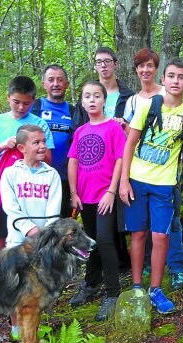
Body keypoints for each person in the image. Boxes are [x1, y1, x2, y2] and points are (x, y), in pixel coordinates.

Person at [119, 57, 183, 314]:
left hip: (165, 184)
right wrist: (123, 181)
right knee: (139, 233)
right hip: (137, 180)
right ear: (163, 79)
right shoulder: (147, 106)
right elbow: (130, 143)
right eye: (171, 76)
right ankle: (136, 286)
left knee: (161, 235)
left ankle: (156, 288)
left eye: (181, 77)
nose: (176, 81)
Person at [0, 76, 55, 325]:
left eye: (27, 103)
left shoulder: (38, 124)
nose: (21, 108)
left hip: (29, 196)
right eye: (17, 102)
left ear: (33, 101)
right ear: (8, 98)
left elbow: (48, 158)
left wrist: (29, 147)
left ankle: (28, 296)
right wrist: (3, 146)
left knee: (27, 247)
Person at [123, 48, 183, 291]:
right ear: (136, 70)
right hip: (141, 171)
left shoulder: (170, 92)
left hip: (167, 173)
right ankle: (144, 272)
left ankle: (175, 268)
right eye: (141, 66)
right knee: (140, 228)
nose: (145, 70)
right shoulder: (133, 101)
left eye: (150, 66)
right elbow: (132, 138)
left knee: (171, 224)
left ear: (157, 70)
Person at [67, 80, 126, 321]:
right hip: (84, 196)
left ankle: (112, 292)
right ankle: (91, 284)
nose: (92, 100)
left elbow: (121, 160)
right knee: (89, 242)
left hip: (105, 195)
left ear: (104, 101)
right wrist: (73, 193)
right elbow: (73, 161)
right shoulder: (80, 131)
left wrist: (111, 191)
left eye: (97, 96)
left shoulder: (113, 128)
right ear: (82, 102)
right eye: (87, 96)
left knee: (104, 239)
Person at [0, 124, 62, 338]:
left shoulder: (52, 175)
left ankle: (35, 327)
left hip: (44, 243)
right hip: (17, 241)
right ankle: (16, 327)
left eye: (44, 141)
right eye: (36, 142)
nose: (43, 146)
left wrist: (46, 237)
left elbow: (53, 212)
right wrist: (31, 230)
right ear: (21, 147)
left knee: (40, 285)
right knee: (15, 285)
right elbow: (11, 209)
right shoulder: (10, 174)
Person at [31, 64, 75, 218]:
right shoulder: (34, 108)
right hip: (35, 179)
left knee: (61, 227)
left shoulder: (74, 111)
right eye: (51, 80)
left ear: (66, 84)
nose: (55, 84)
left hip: (64, 180)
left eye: (60, 80)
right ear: (44, 84)